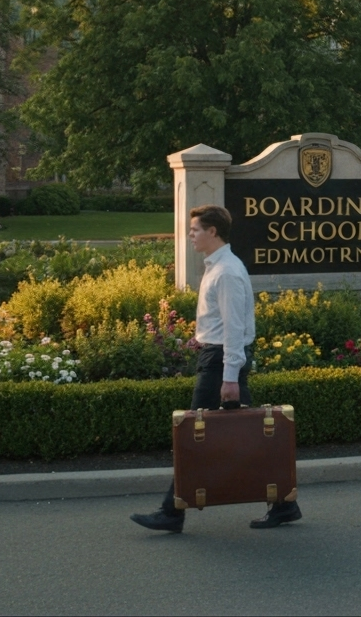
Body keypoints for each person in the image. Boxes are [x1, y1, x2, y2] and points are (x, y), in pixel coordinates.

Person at [131, 205, 303, 533]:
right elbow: (222, 323)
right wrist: (202, 340)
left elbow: (235, 329)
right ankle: (284, 504)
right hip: (217, 356)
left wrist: (228, 378)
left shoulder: (227, 272)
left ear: (213, 232)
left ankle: (172, 512)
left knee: (191, 438)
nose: (190, 235)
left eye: (195, 229)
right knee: (252, 436)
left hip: (221, 363)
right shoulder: (219, 267)